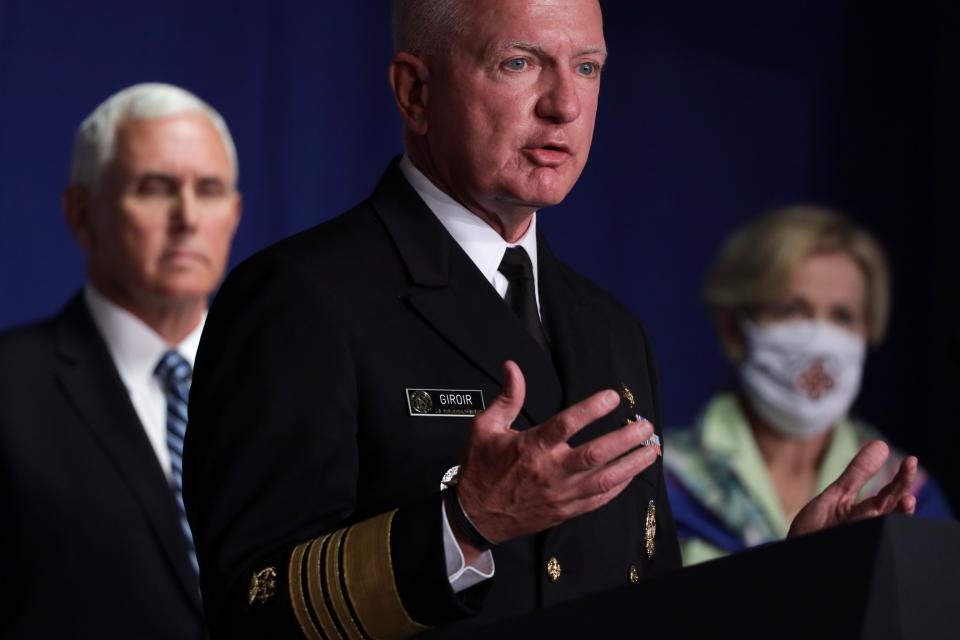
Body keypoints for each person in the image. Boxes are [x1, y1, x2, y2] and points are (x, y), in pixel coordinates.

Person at [183, 3, 917, 638]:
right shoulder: (300, 298)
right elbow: (251, 606)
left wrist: (793, 578)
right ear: (414, 91)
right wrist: (465, 524)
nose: (565, 104)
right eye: (519, 63)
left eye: (589, 68)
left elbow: (652, 614)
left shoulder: (610, 327)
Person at [0, 83, 241, 638]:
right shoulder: (11, 390)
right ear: (81, 213)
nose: (187, 217)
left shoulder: (295, 384)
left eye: (208, 189)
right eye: (155, 188)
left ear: (233, 213)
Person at [664, 206, 953, 566]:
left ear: (869, 330)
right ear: (732, 327)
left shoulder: (906, 496)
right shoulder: (661, 484)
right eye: (792, 310)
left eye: (842, 315)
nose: (820, 339)